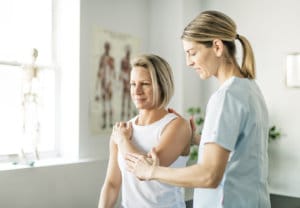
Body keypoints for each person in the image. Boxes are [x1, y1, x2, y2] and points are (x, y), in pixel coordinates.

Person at [125, 10, 271, 208]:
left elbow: (209, 175)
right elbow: (239, 150)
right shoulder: (250, 89)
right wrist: (198, 140)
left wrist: (151, 171)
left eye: (192, 53)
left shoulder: (225, 97)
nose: (188, 62)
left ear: (217, 47)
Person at [98, 54, 192, 208]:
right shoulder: (123, 130)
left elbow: (146, 169)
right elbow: (112, 183)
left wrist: (122, 141)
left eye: (145, 84)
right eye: (133, 84)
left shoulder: (177, 126)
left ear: (162, 86)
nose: (137, 90)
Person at [95, 41, 116, 129]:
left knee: (110, 103)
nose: (107, 48)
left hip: (109, 84)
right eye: (106, 47)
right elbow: (99, 72)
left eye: (108, 47)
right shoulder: (102, 58)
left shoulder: (111, 59)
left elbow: (113, 72)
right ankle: (104, 122)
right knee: (104, 104)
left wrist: (111, 83)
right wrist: (97, 87)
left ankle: (111, 122)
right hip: (103, 83)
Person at [119, 45, 132, 121]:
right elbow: (121, 71)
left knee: (129, 101)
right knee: (124, 100)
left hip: (130, 82)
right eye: (127, 51)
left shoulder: (131, 61)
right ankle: (123, 118)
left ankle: (128, 118)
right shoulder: (123, 60)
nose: (128, 53)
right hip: (124, 82)